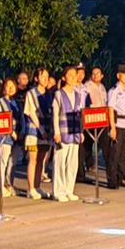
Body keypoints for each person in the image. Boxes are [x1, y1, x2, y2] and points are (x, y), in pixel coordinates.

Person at [52, 65, 84, 201]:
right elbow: (55, 113)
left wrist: (81, 131)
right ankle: (58, 192)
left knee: (72, 162)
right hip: (63, 132)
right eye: (69, 75)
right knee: (60, 162)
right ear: (64, 78)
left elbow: (79, 114)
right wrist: (56, 131)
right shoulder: (59, 94)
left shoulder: (77, 94)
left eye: (74, 75)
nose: (72, 77)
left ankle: (69, 189)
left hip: (75, 132)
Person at [23, 67, 52, 199]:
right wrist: (40, 129)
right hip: (33, 131)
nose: (45, 79)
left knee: (41, 159)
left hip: (46, 130)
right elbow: (30, 112)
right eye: (42, 76)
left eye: (47, 76)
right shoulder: (31, 93)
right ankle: (30, 188)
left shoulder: (49, 94)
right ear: (36, 78)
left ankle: (37, 186)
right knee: (33, 159)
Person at [106, 64, 125, 188]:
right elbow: (110, 109)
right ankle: (112, 180)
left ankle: (121, 177)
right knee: (115, 154)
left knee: (124, 154)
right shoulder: (114, 90)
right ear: (118, 75)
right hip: (118, 125)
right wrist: (112, 127)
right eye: (124, 74)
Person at [81, 65, 108, 182]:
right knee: (87, 144)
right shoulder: (86, 87)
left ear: (102, 76)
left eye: (98, 73)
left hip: (102, 119)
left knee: (105, 144)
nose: (95, 75)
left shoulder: (102, 87)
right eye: (93, 73)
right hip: (90, 118)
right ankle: (87, 165)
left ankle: (108, 169)